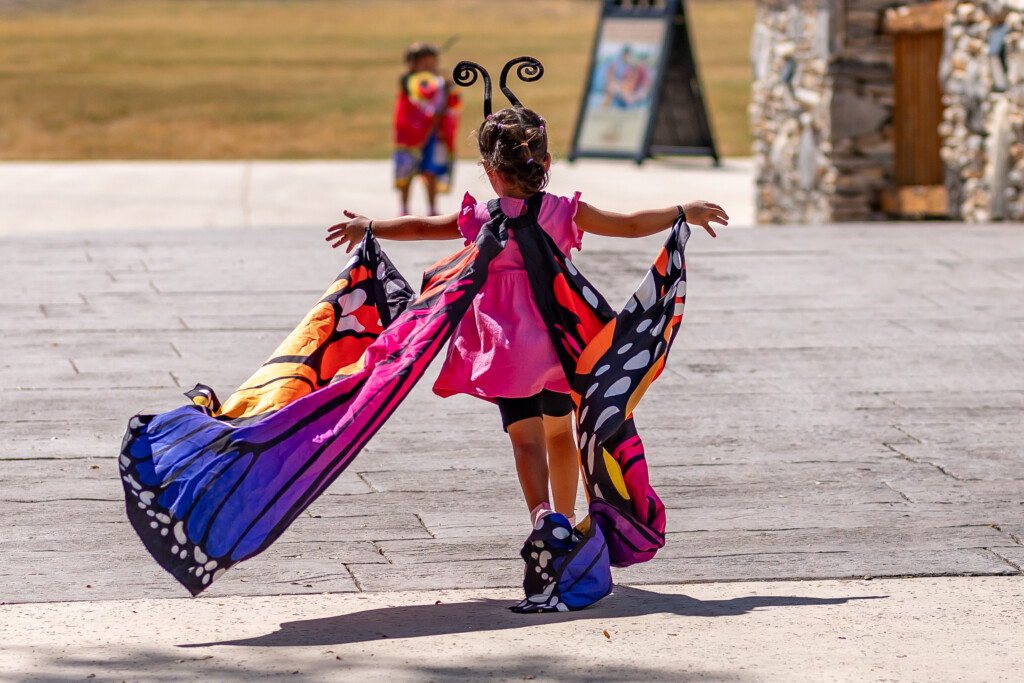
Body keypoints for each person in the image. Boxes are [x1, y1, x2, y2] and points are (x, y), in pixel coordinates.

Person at [328, 105, 727, 529]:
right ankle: (570, 517)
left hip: (505, 349)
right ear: (546, 163)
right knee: (560, 433)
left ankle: (541, 517)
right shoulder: (563, 211)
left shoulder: (479, 217)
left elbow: (423, 227)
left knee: (525, 439)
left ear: (488, 169)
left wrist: (371, 226)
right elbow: (628, 225)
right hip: (558, 343)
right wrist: (682, 211)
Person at [393, 43, 461, 216]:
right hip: (410, 137)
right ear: (412, 65)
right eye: (424, 65)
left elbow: (451, 105)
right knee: (406, 175)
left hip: (434, 135)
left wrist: (448, 90)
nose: (429, 69)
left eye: (432, 65)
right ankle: (404, 209)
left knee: (430, 173)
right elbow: (409, 110)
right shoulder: (410, 85)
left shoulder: (441, 84)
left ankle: (432, 208)